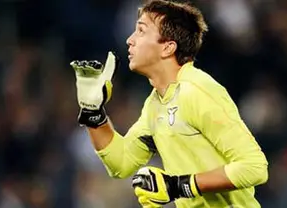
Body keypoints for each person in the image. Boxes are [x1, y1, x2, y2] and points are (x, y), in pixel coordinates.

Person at [70, 0, 268, 207]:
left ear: (167, 47)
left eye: (141, 31)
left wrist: (179, 186)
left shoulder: (197, 91)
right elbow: (122, 163)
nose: (130, 40)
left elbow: (254, 167)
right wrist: (93, 112)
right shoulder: (155, 104)